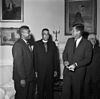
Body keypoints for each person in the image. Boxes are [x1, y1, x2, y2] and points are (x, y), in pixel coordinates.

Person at [62, 23, 92, 99]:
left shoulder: (87, 43)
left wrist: (76, 64)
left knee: (77, 94)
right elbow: (65, 53)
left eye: (73, 30)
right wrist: (65, 60)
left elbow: (88, 59)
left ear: (78, 32)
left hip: (78, 73)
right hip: (67, 72)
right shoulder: (69, 40)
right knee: (65, 94)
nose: (71, 32)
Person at [33, 28, 58, 99]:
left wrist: (55, 69)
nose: (46, 35)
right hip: (40, 71)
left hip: (50, 71)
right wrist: (35, 71)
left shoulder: (53, 44)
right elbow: (34, 58)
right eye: (44, 34)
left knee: (49, 89)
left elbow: (55, 58)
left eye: (47, 34)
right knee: (40, 89)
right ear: (42, 35)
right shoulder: (37, 44)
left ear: (49, 35)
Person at [12, 25, 35, 99]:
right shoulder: (18, 45)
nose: (30, 34)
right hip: (22, 78)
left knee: (28, 96)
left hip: (28, 77)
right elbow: (18, 63)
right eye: (28, 32)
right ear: (22, 33)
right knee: (21, 96)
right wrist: (22, 78)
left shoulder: (26, 44)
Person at [84, 33, 100, 99]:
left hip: (96, 75)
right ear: (87, 40)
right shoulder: (83, 49)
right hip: (86, 75)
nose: (93, 40)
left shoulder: (99, 49)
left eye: (94, 38)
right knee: (85, 92)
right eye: (91, 38)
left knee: (96, 93)